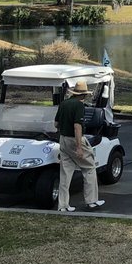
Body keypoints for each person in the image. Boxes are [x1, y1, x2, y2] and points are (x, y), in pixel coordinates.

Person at [53, 80, 105, 213]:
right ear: (83, 95)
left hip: (63, 139)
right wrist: (79, 147)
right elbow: (77, 127)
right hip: (75, 140)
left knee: (65, 174)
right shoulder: (79, 106)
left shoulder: (64, 104)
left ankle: (63, 205)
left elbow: (56, 124)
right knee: (89, 168)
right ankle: (91, 201)